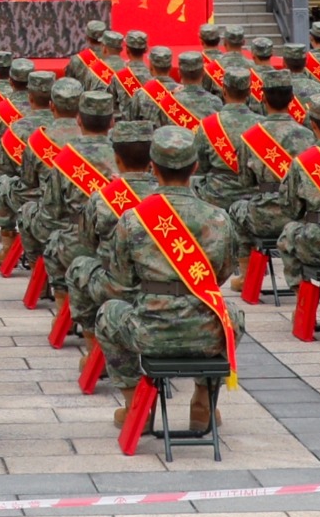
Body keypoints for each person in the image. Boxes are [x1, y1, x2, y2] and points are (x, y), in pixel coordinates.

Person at [93, 123, 245, 435]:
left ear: (153, 166)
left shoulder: (133, 219)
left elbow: (121, 282)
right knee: (233, 317)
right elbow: (223, 273)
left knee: (108, 314)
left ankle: (136, 404)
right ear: (195, 167)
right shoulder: (219, 218)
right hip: (205, 332)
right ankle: (203, 401)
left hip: (149, 331)